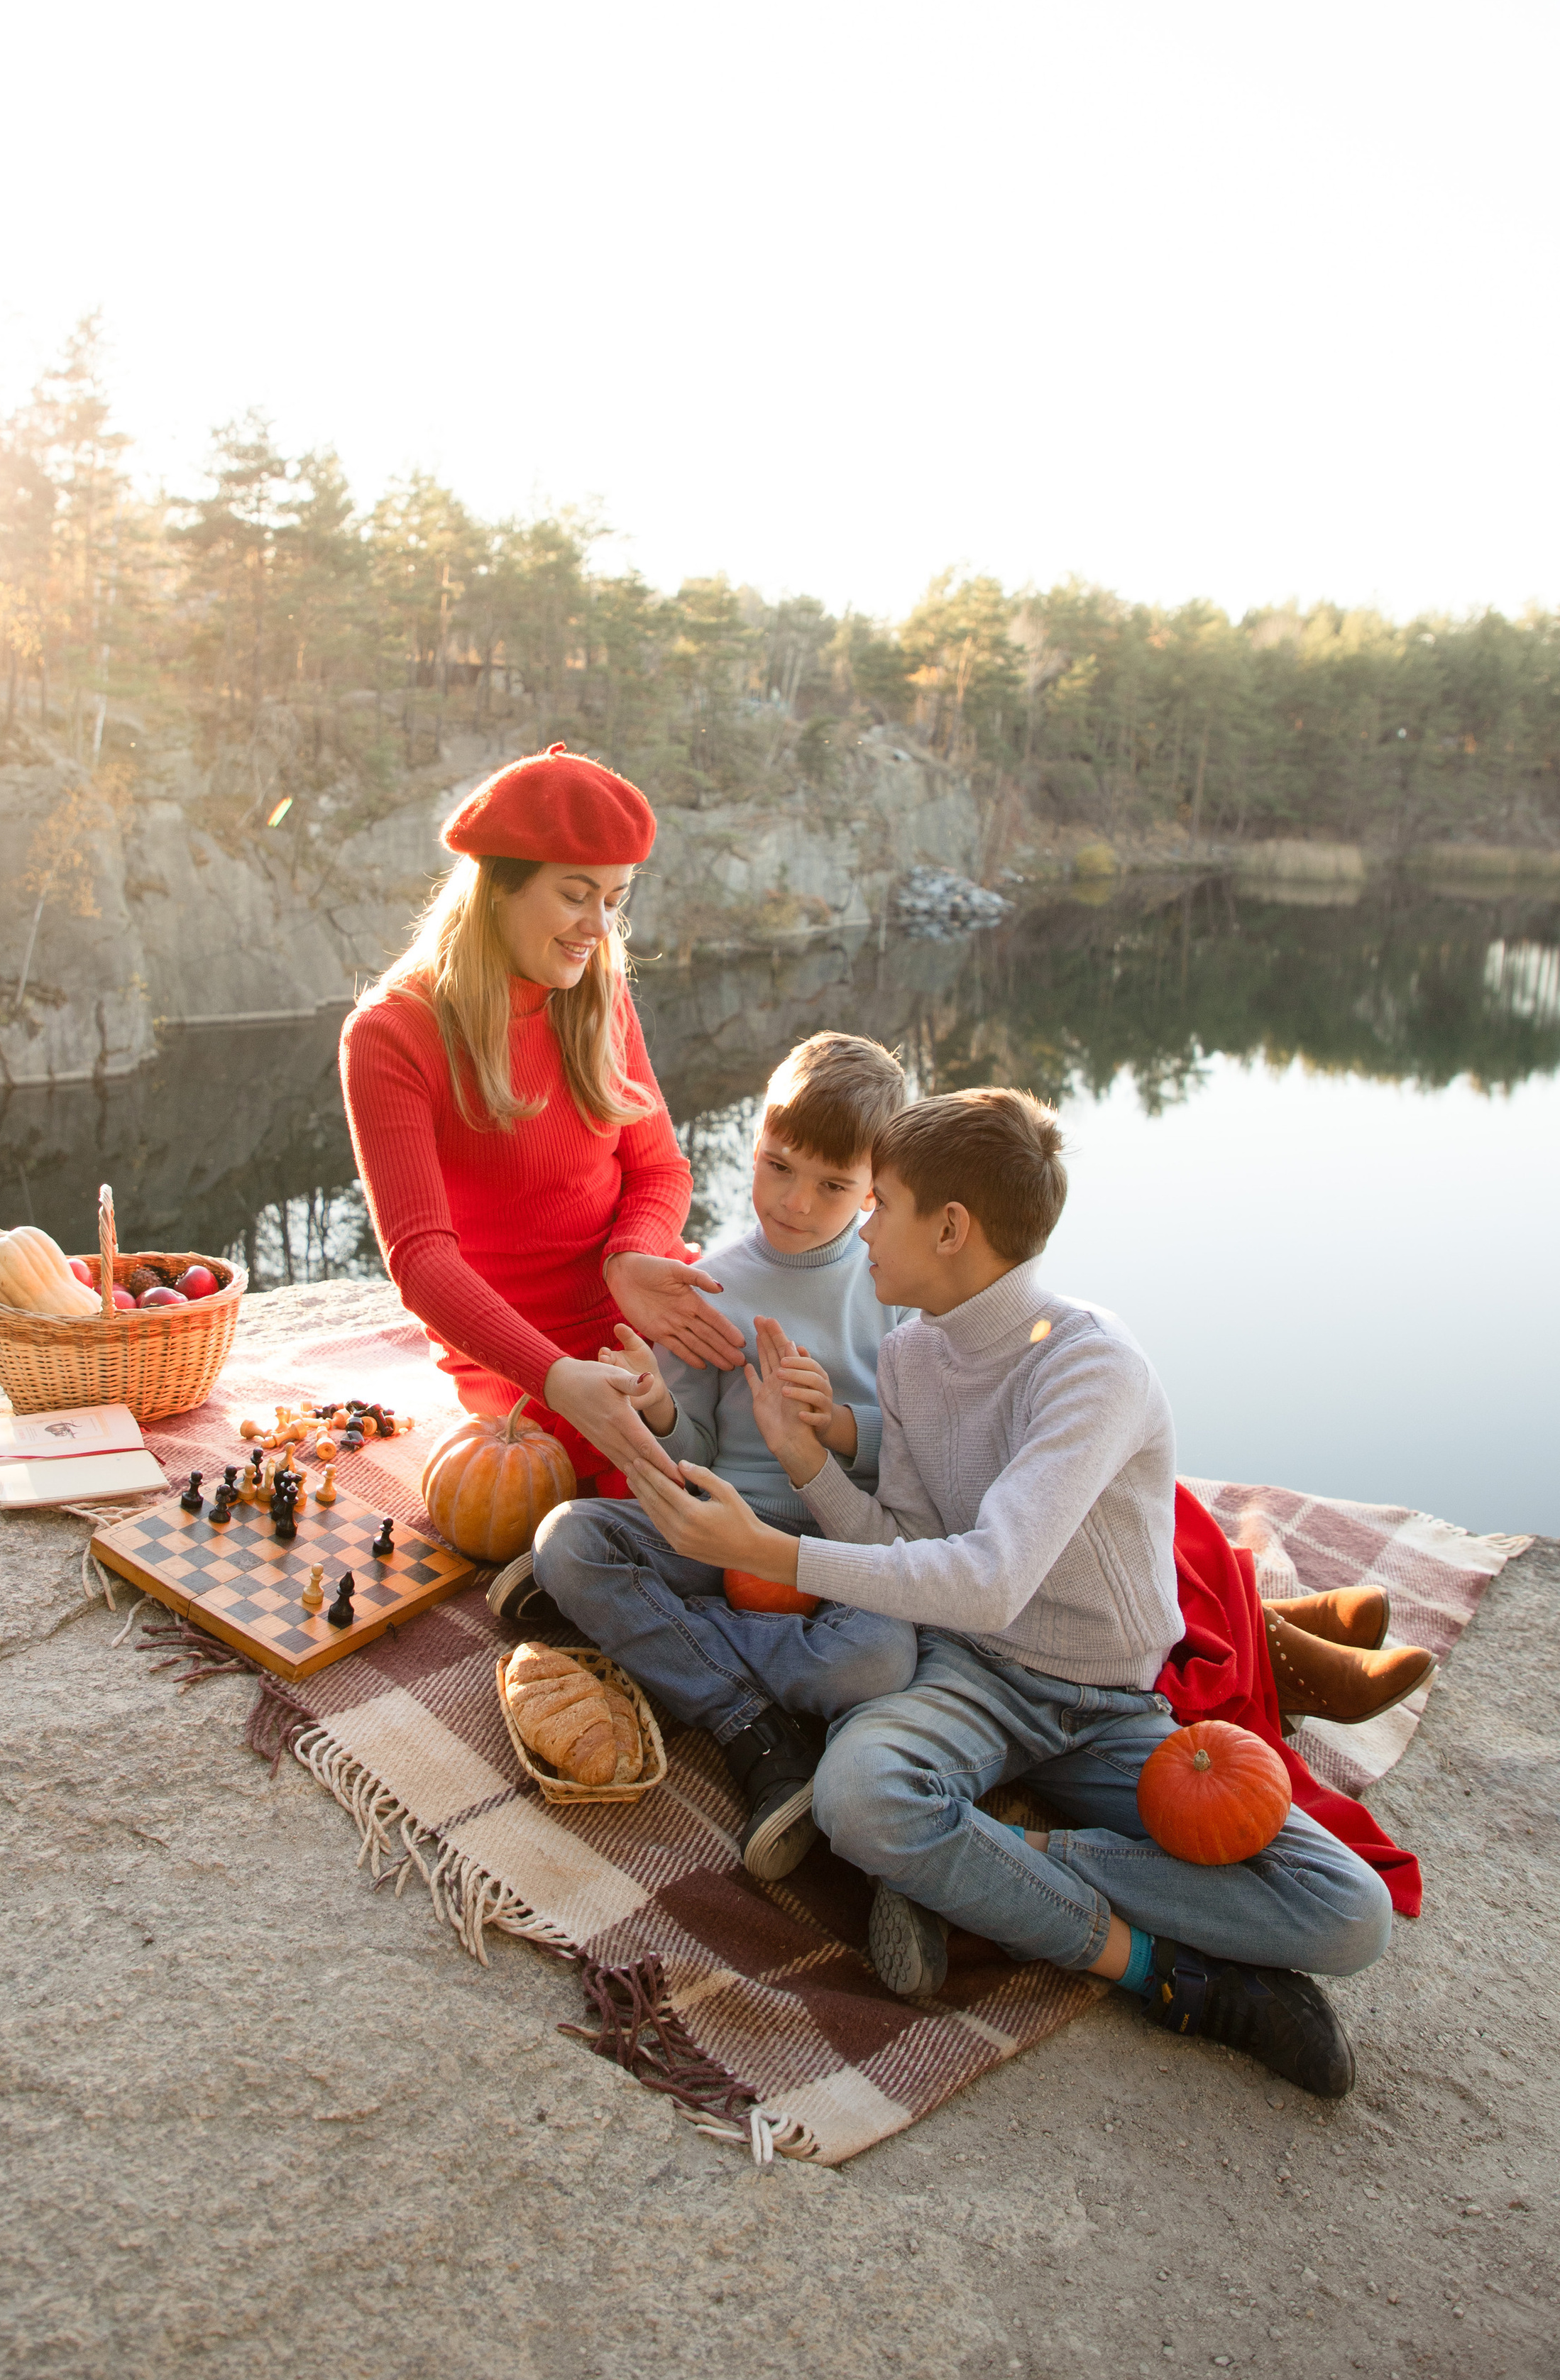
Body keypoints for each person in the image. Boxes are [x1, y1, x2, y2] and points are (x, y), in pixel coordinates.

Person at [621, 1087, 1399, 2098]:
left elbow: (987, 1578)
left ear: (951, 1229)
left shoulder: (1092, 1365)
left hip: (1110, 1706)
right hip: (970, 1679)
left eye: (882, 1201)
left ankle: (987, 1861)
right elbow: (907, 1541)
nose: (861, 1221)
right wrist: (806, 1463)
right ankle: (1169, 1977)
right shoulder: (908, 1357)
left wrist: (774, 1550)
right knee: (861, 1795)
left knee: (1346, 1911)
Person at [513, 1033, 923, 1880]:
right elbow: (692, 1452)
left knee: (878, 1660)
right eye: (778, 1166)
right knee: (568, 1538)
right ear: (756, 1144)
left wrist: (840, 1426)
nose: (796, 1201)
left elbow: (920, 1453)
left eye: (833, 1185)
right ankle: (747, 1712)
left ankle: (669, 1654)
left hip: (836, 1548)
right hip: (719, 1530)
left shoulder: (894, 1291)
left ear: (876, 1190)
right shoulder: (712, 1285)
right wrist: (659, 1406)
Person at [341, 745, 743, 1489]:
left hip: (637, 1308)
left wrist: (630, 1257)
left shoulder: (599, 992)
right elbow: (421, 1260)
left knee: (794, 1417)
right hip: (521, 1355)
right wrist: (557, 1379)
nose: (597, 926)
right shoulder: (391, 1034)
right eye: (575, 895)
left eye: (615, 900)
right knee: (664, 1498)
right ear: (499, 885)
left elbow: (659, 1168)